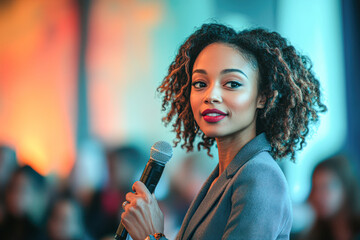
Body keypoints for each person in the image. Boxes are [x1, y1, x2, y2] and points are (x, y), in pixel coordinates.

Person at [120, 23, 327, 240]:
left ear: (262, 96)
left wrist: (150, 236)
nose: (211, 96)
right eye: (200, 83)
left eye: (232, 84)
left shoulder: (260, 176)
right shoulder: (224, 175)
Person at [300, 155, 360, 240]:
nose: (317, 196)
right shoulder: (312, 235)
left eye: (326, 187)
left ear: (346, 187)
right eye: (315, 188)